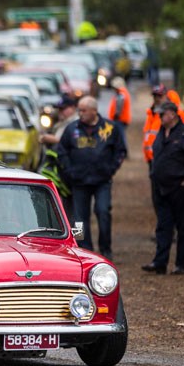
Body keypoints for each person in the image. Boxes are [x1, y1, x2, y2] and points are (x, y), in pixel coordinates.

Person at [57, 96, 126, 260]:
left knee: (103, 212)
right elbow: (62, 151)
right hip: (78, 181)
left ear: (94, 111)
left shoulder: (110, 128)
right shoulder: (72, 128)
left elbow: (120, 151)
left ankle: (105, 247)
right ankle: (81, 248)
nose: (80, 114)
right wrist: (69, 170)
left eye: (83, 110)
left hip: (102, 180)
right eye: (79, 110)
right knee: (79, 220)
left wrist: (111, 169)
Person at [142, 102, 184, 275]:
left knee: (183, 226)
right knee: (163, 225)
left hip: (180, 188)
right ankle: (160, 262)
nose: (160, 118)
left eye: (162, 114)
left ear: (172, 114)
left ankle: (182, 264)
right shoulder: (161, 134)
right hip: (161, 187)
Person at [39, 94, 78, 220]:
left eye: (64, 108)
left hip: (70, 171)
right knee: (66, 206)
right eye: (59, 109)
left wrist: (46, 138)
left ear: (72, 108)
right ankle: (71, 232)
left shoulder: (75, 123)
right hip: (62, 171)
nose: (60, 111)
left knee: (75, 211)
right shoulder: (63, 122)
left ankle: (78, 237)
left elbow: (62, 141)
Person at [107, 77, 131, 155]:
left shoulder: (121, 94)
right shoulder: (123, 93)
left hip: (120, 119)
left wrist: (116, 116)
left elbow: (119, 107)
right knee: (120, 135)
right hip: (122, 119)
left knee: (120, 136)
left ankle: (123, 151)